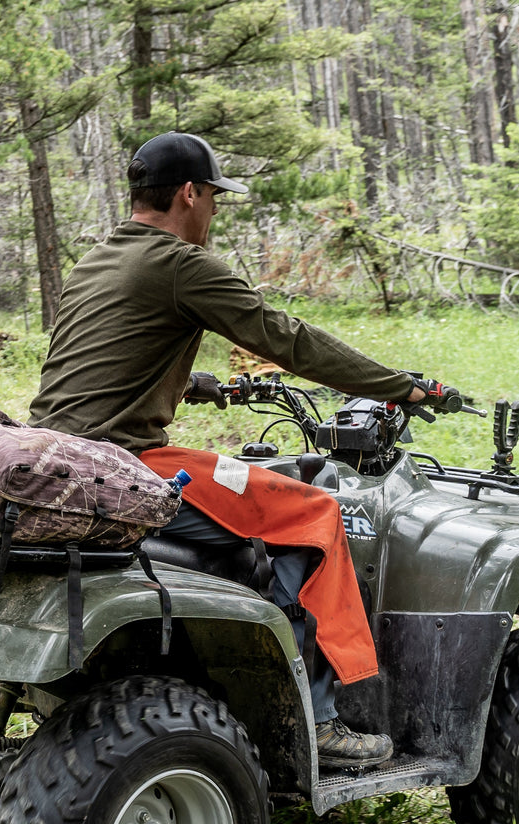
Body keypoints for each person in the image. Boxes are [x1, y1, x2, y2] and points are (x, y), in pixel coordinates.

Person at [28, 131, 432, 769]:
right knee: (315, 515)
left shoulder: (100, 258)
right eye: (214, 197)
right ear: (189, 193)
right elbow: (285, 338)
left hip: (56, 452)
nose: (213, 212)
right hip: (125, 463)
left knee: (246, 493)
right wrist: (400, 386)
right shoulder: (182, 265)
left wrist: (188, 383)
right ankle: (319, 719)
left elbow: (103, 360)